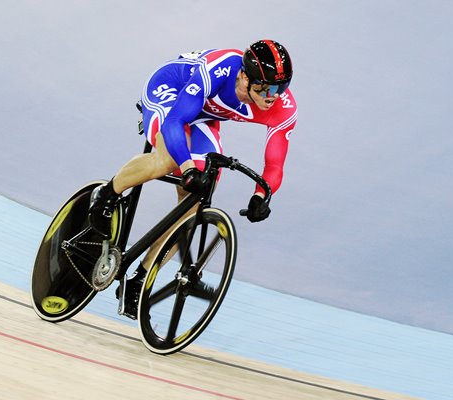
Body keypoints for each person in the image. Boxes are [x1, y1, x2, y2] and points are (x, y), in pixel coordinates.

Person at [88, 40, 297, 319]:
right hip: (171, 92)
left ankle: (141, 276)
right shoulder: (219, 68)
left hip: (203, 114)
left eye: (279, 88)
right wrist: (187, 167)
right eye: (265, 88)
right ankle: (106, 194)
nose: (272, 96)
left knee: (194, 204)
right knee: (169, 159)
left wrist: (262, 194)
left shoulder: (283, 108)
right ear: (244, 77)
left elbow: (274, 163)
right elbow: (175, 121)